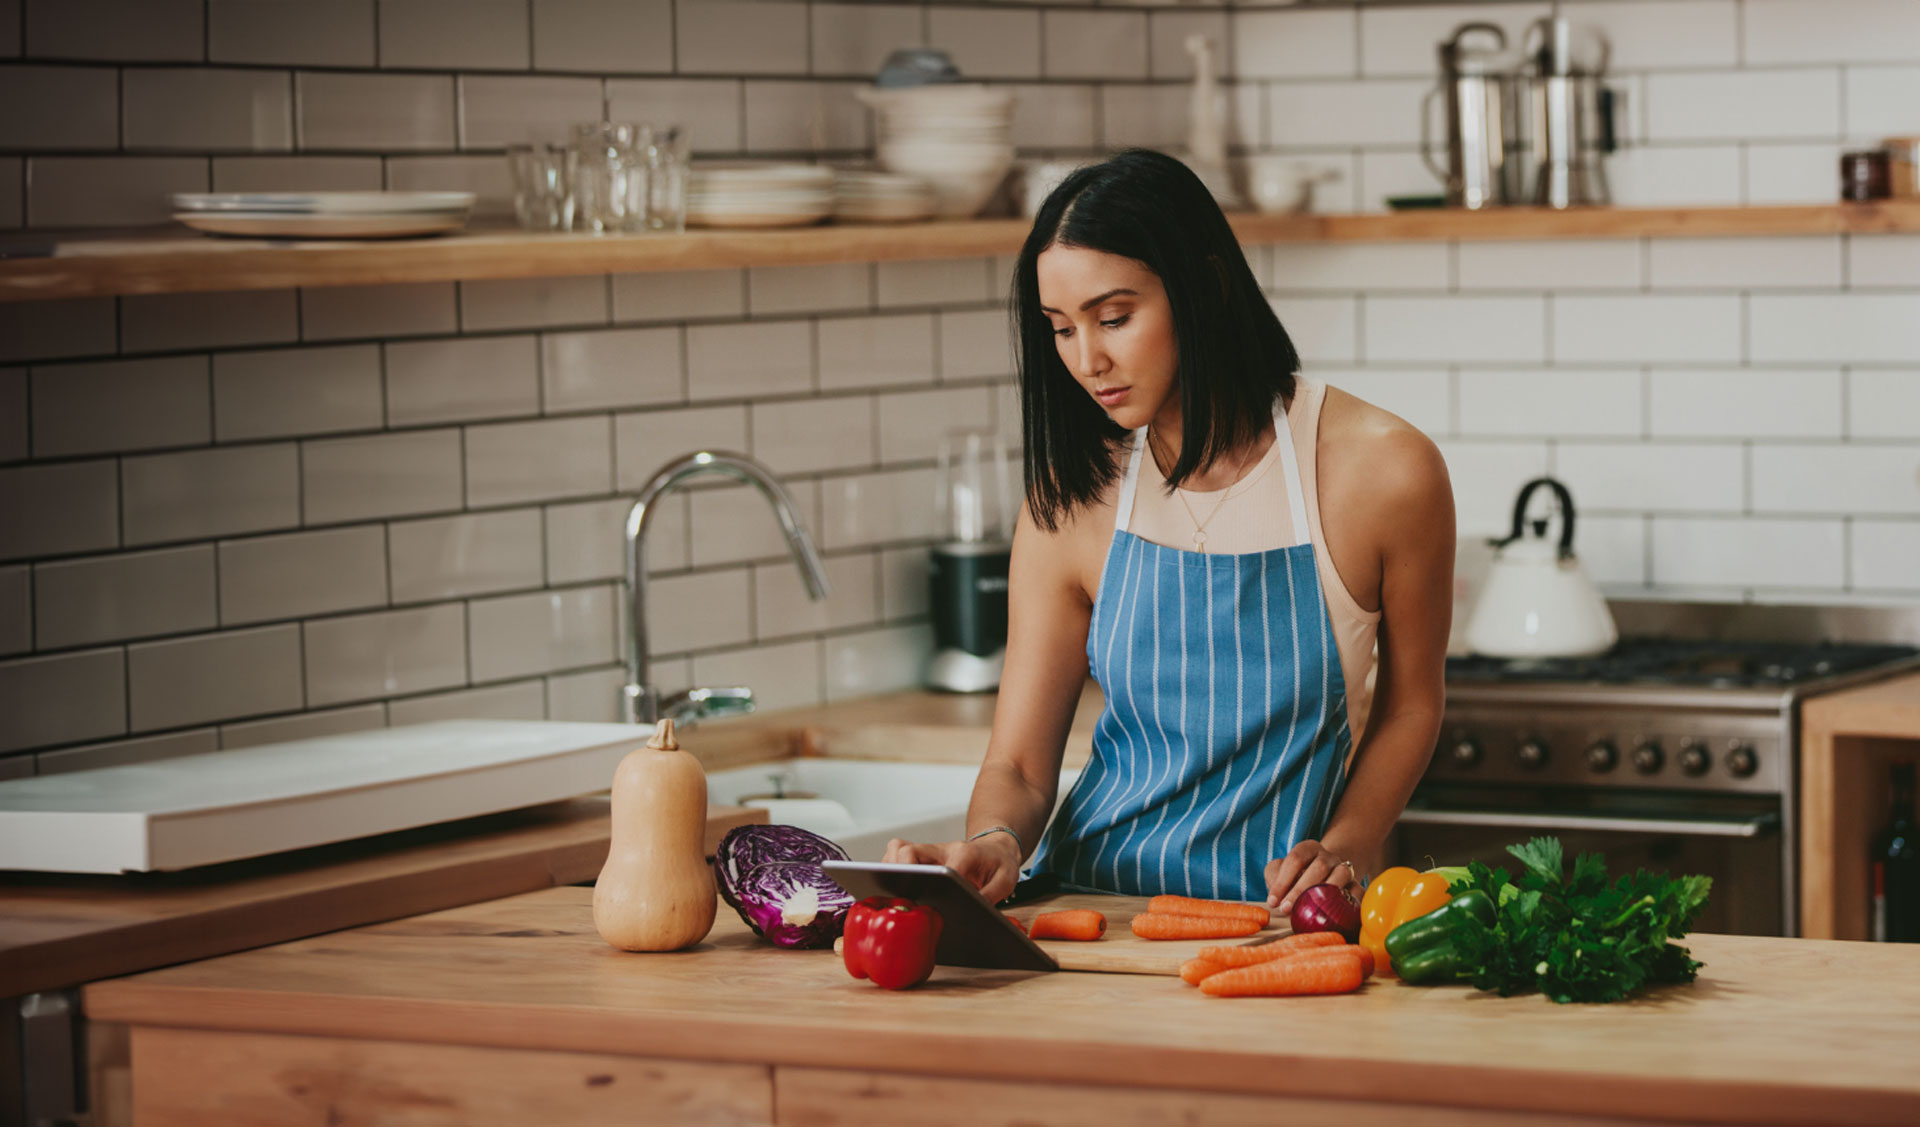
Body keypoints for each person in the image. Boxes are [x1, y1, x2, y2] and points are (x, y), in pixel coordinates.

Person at [883, 149, 1454, 917]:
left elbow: (1412, 705)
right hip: (1090, 912)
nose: (1088, 360)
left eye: (1115, 318)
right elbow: (1019, 765)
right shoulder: (1074, 495)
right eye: (1061, 328)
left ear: (1205, 286)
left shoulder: (1382, 471)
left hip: (1276, 923)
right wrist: (994, 841)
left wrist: (1345, 845)